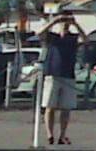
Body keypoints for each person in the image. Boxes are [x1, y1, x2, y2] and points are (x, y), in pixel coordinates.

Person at [37, 18, 83, 146]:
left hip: (68, 75)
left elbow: (85, 40)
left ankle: (62, 135)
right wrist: (54, 21)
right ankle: (50, 134)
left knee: (66, 108)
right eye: (64, 22)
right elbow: (39, 33)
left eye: (67, 21)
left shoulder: (73, 38)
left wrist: (76, 24)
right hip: (52, 74)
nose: (65, 24)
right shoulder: (52, 37)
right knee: (49, 106)